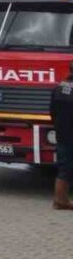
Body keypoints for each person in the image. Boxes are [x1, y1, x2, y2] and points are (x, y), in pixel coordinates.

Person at [50, 61, 73, 210]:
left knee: (64, 167)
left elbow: (52, 111)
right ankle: (61, 201)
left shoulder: (58, 88)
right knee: (67, 169)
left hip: (62, 133)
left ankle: (60, 200)